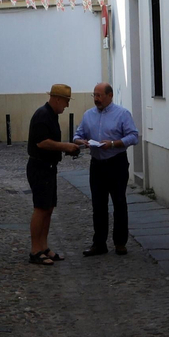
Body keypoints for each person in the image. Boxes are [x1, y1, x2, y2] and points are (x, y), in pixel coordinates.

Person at [73, 82, 140, 256]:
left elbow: (133, 136)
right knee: (98, 205)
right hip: (97, 165)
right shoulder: (88, 115)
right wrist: (82, 142)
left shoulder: (122, 114)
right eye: (94, 95)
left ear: (110, 96)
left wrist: (112, 144)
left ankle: (120, 242)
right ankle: (99, 243)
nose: (96, 99)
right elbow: (77, 135)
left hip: (116, 162)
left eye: (100, 95)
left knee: (119, 203)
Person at [26, 83, 80, 266]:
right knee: (41, 208)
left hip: (48, 167)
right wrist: (65, 146)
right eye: (66, 101)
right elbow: (42, 143)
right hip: (40, 167)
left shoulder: (52, 115)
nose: (67, 106)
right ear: (57, 99)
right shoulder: (43, 115)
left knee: (48, 208)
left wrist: (66, 149)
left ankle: (44, 247)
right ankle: (35, 250)